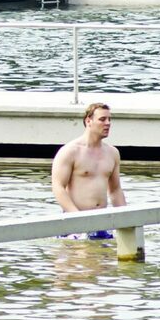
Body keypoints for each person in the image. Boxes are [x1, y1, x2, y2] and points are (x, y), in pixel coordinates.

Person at [52, 103, 125, 240]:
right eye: (102, 119)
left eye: (110, 119)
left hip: (101, 222)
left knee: (105, 260)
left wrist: (127, 220)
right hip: (75, 221)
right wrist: (77, 217)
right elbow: (58, 187)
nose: (108, 123)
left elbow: (115, 190)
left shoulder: (112, 153)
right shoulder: (70, 151)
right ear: (88, 121)